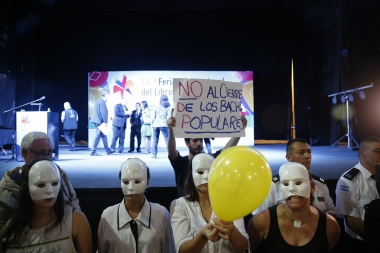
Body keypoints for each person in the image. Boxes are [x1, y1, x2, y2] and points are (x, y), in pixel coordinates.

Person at [0, 160, 92, 252]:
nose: (49, 190)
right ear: (27, 188)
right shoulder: (10, 230)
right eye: (41, 185)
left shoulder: (75, 221)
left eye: (55, 183)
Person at [248, 162, 340, 253]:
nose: (292, 189)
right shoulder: (261, 221)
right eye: (286, 184)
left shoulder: (330, 226)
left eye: (298, 183)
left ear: (312, 187)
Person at [0, 131, 80, 230]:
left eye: (49, 152)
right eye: (41, 153)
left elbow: (73, 201)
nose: (46, 157)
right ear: (24, 153)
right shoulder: (11, 182)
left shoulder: (60, 174)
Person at [171, 153, 249, 252]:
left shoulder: (231, 204)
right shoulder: (180, 206)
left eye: (211, 171)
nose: (206, 177)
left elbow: (243, 248)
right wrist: (203, 236)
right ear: (191, 176)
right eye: (200, 172)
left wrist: (232, 231)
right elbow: (182, 249)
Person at [97, 158, 175, 252]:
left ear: (147, 183)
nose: (131, 188)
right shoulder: (108, 216)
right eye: (126, 182)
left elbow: (169, 249)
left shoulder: (161, 214)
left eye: (137, 182)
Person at [167, 108, 247, 197]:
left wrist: (240, 130)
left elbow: (227, 149)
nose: (199, 143)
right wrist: (171, 131)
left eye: (201, 140)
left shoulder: (210, 160)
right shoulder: (181, 163)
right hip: (186, 207)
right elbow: (172, 152)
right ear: (187, 143)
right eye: (195, 141)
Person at [252, 138, 336, 215]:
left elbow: (331, 212)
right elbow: (259, 216)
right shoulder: (273, 186)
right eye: (301, 152)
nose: (307, 156)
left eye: (309, 152)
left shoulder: (319, 184)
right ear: (289, 157)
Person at [335, 136, 380, 252]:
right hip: (364, 244)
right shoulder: (349, 181)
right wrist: (376, 237)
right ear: (363, 154)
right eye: (378, 152)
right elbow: (352, 221)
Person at [90, 90, 114, 156]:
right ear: (105, 95)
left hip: (98, 120)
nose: (108, 98)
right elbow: (103, 112)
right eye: (108, 96)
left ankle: (108, 150)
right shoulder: (102, 101)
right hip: (99, 121)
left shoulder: (99, 101)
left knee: (104, 135)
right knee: (98, 136)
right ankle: (92, 151)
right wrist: (105, 122)